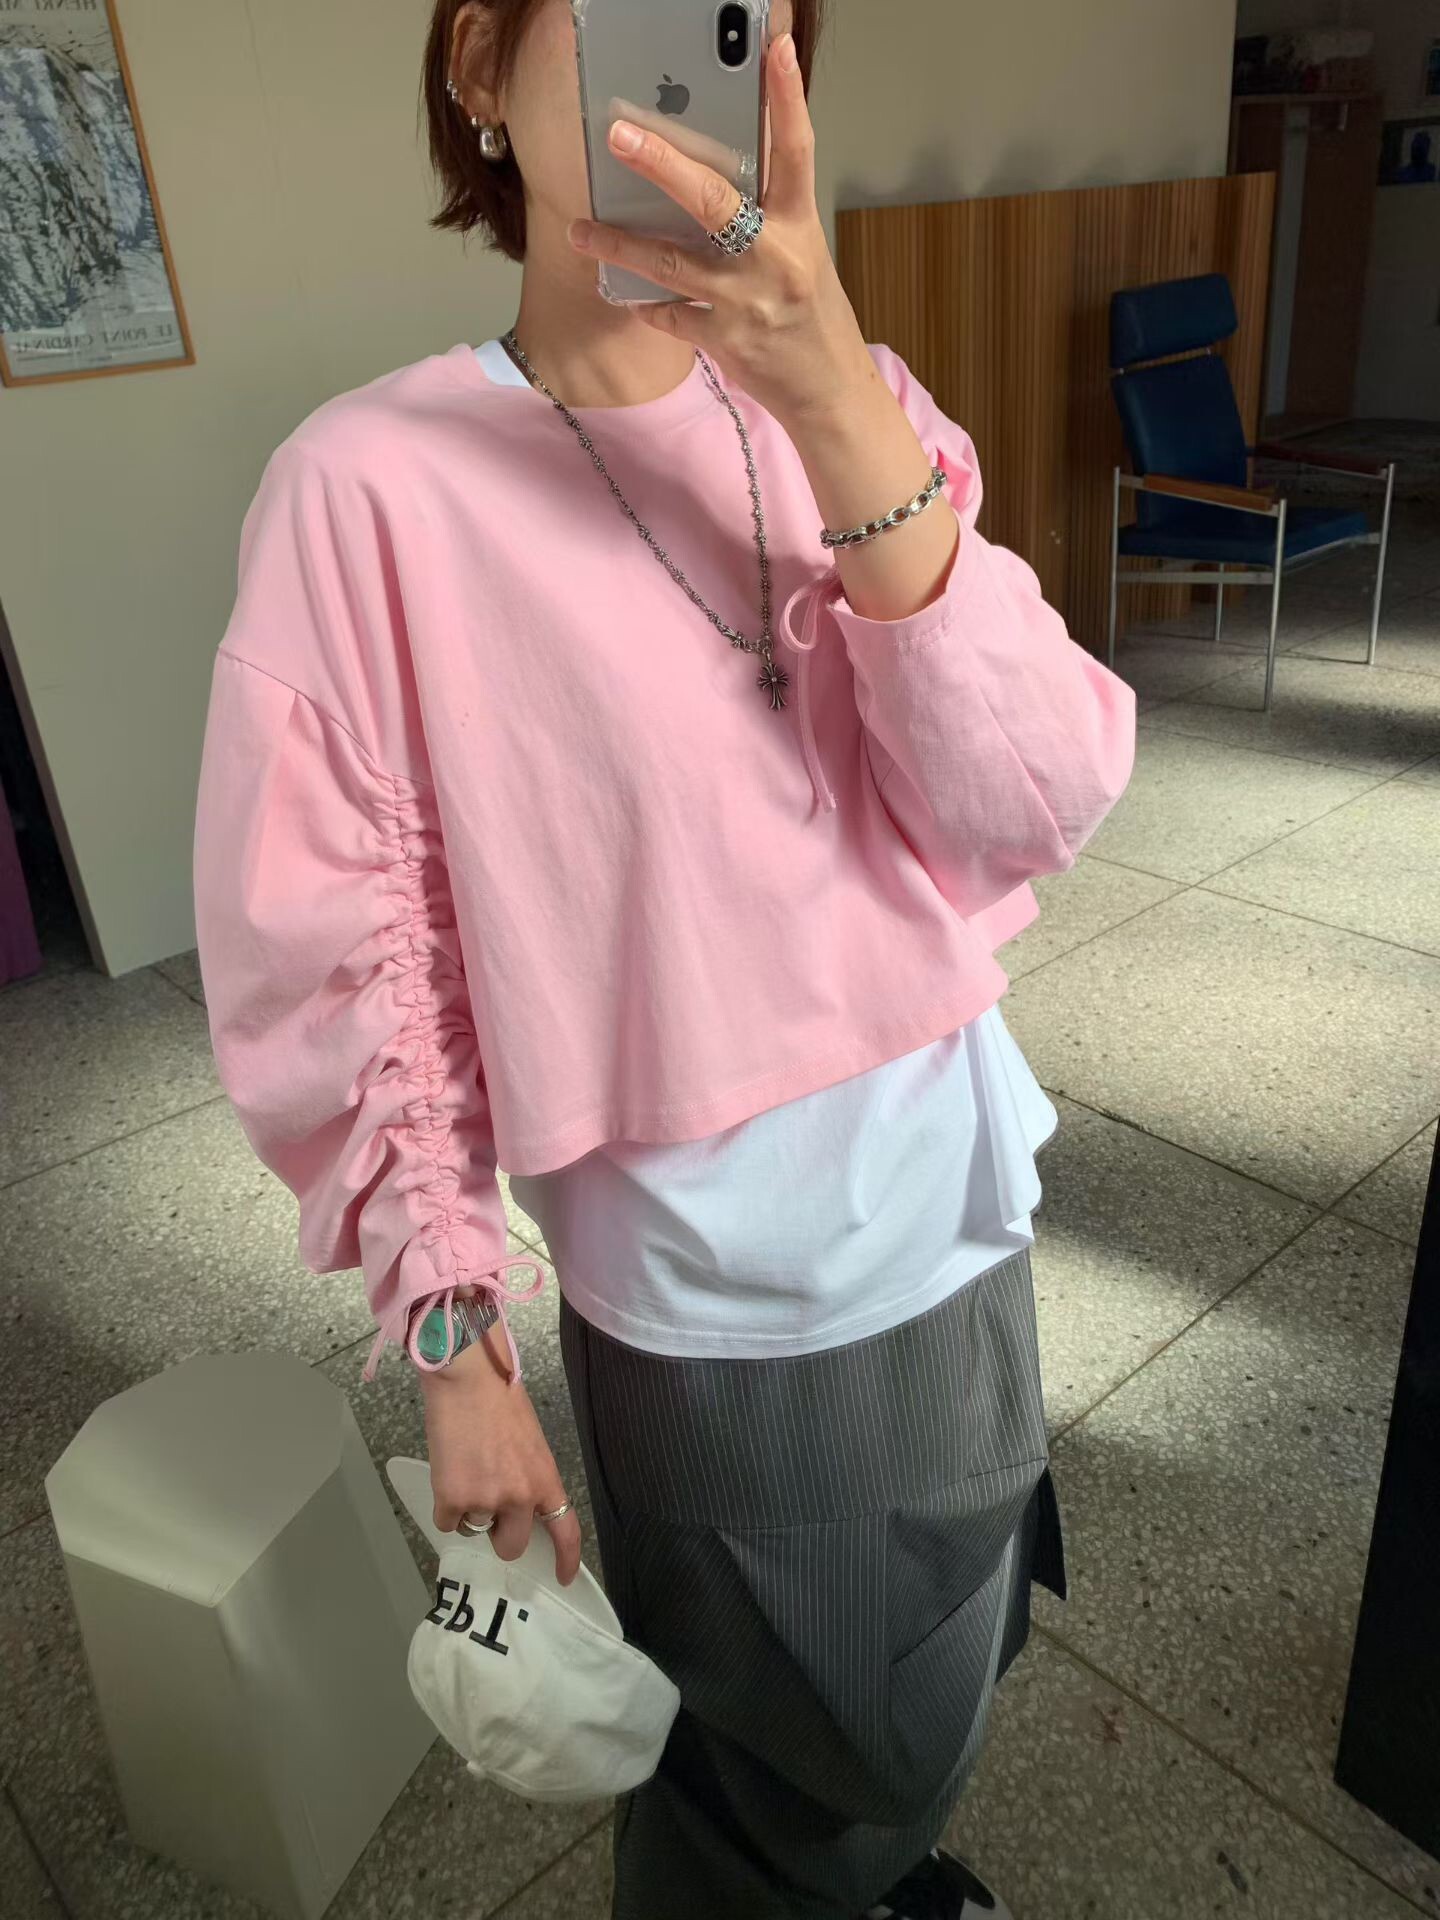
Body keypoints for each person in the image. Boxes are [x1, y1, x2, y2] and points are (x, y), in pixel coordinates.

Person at [191, 2, 1137, 1915]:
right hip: (727, 1299)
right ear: (479, 67)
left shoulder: (849, 401)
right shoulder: (371, 486)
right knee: (782, 1761)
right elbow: (357, 954)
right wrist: (455, 1347)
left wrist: (835, 395)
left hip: (961, 1200)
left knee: (941, 1663)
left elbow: (1037, 797)